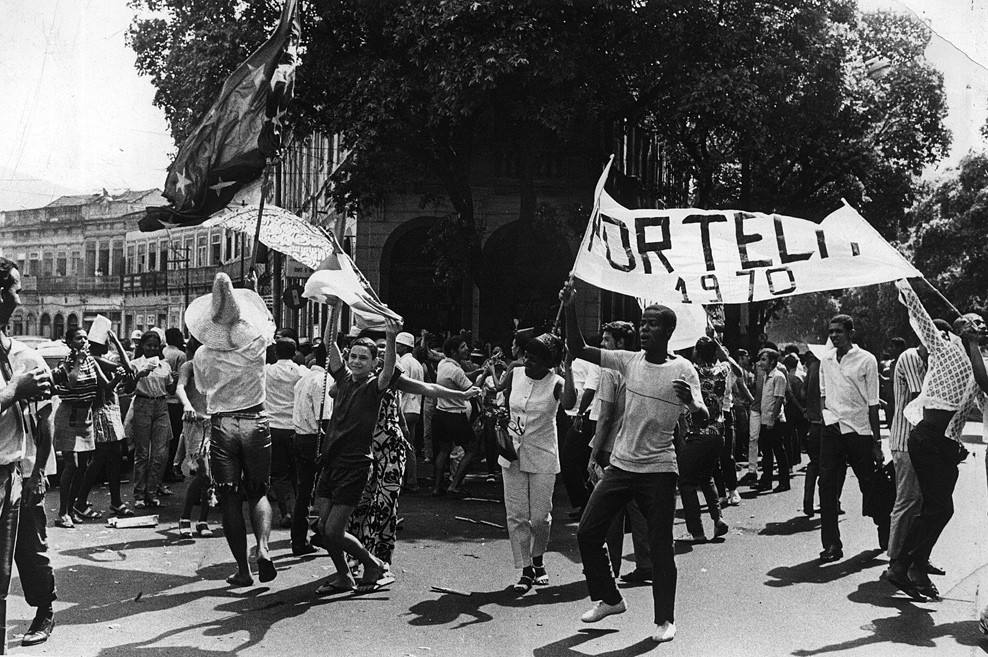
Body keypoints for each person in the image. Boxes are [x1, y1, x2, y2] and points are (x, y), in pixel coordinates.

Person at [562, 281, 706, 645]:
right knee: (587, 532)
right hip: (621, 466)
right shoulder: (628, 361)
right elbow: (578, 347)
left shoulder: (685, 370)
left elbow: (705, 416)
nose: (644, 329)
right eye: (642, 323)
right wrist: (570, 306)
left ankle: (665, 620)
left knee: (659, 547)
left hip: (659, 470)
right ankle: (610, 599)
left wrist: (692, 402)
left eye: (652, 324)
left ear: (668, 331)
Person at [348, 331, 480, 576]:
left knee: (384, 507)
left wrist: (460, 395)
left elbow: (428, 388)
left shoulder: (390, 379)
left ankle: (379, 563)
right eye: (357, 355)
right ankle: (357, 558)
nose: (362, 359)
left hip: (388, 448)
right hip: (361, 450)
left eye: (375, 353)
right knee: (359, 505)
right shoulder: (351, 380)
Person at [886, 281, 985, 599]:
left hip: (946, 447)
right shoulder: (944, 346)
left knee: (939, 509)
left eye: (984, 323)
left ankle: (912, 566)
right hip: (926, 439)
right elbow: (920, 316)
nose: (982, 325)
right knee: (940, 506)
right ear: (958, 329)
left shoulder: (976, 363)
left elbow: (984, 396)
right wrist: (904, 283)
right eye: (976, 322)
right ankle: (902, 566)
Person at [188, 272, 277, 587]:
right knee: (258, 492)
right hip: (257, 421)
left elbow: (203, 391)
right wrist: (250, 291)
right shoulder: (257, 345)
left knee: (229, 499)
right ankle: (263, 548)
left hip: (223, 424)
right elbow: (268, 322)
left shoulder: (202, 355)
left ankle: (243, 569)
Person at [312, 303, 398, 595]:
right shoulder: (343, 379)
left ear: (374, 362)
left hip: (355, 465)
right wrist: (335, 307)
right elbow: (328, 343)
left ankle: (373, 565)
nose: (357, 361)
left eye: (364, 358)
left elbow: (388, 371)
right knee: (321, 528)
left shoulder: (376, 386)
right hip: (330, 462)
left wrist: (390, 335)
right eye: (354, 356)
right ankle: (344, 576)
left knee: (334, 529)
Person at [0, 257, 55, 649]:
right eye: (16, 290)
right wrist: (13, 390)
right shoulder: (19, 373)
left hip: (14, 471)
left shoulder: (26, 357)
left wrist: (37, 472)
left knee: (28, 549)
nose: (20, 300)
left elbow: (44, 421)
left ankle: (44, 608)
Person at [499, 333, 569, 592]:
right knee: (516, 515)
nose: (527, 362)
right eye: (526, 356)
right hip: (512, 454)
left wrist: (569, 368)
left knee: (539, 517)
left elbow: (571, 403)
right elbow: (505, 403)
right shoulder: (515, 373)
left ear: (549, 363)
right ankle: (526, 569)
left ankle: (538, 558)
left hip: (543, 455)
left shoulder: (558, 383)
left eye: (534, 359)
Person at [817, 314, 888, 563]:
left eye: (838, 331)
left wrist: (876, 443)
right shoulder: (825, 360)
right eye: (831, 331)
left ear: (850, 332)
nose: (834, 335)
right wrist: (829, 421)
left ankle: (884, 526)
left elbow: (872, 404)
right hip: (833, 431)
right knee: (826, 486)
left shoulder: (866, 360)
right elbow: (824, 396)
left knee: (868, 484)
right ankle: (832, 545)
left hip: (859, 432)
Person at [590, 321, 652, 583]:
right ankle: (646, 564)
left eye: (606, 340)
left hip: (612, 448)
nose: (602, 345)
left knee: (610, 511)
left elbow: (604, 417)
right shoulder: (643, 366)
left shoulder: (610, 370)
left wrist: (593, 454)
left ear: (620, 343)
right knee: (637, 509)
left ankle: (610, 566)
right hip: (638, 446)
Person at [74, 330, 137, 519]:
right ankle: (80, 501)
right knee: (101, 458)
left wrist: (117, 342)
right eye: (107, 341)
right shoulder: (94, 359)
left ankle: (115, 502)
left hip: (111, 410)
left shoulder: (99, 358)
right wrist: (117, 342)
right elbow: (124, 370)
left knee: (114, 458)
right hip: (102, 411)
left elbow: (127, 368)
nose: (108, 343)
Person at [678, 337, 733, 542]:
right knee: (706, 476)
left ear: (697, 353)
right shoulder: (724, 370)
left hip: (697, 433)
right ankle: (718, 519)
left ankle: (697, 531)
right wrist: (716, 341)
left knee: (686, 482)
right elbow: (726, 359)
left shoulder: (693, 370)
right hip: (718, 433)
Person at [51, 327, 106, 527]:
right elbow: (72, 383)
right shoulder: (65, 362)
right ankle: (62, 512)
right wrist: (79, 361)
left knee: (82, 466)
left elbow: (104, 384)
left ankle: (72, 508)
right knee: (71, 465)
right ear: (69, 342)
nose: (83, 341)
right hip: (69, 415)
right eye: (78, 338)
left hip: (86, 416)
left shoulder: (91, 361)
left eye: (85, 338)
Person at [887, 343, 930, 575]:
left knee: (920, 502)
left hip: (918, 443)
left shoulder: (925, 360)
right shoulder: (911, 358)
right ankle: (895, 558)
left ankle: (914, 557)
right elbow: (919, 398)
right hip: (906, 441)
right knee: (907, 500)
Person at [291, 342, 332, 555]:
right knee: (328, 491)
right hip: (314, 440)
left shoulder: (304, 379)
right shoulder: (322, 381)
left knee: (304, 493)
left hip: (300, 436)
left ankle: (299, 540)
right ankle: (322, 534)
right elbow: (324, 420)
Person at [431, 336, 485, 496]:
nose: (467, 349)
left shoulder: (443, 364)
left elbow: (460, 378)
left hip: (441, 413)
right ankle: (454, 485)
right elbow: (473, 391)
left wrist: (476, 372)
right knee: (471, 450)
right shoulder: (456, 370)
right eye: (463, 347)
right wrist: (485, 373)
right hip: (455, 416)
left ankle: (436, 487)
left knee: (444, 450)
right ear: (454, 352)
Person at [130, 330, 175, 509]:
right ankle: (139, 494)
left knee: (160, 453)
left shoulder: (165, 366)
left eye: (155, 346)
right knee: (142, 453)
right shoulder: (135, 364)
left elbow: (170, 389)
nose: (152, 349)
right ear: (142, 346)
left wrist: (175, 381)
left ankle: (152, 492)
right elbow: (128, 387)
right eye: (149, 345)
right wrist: (139, 374)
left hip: (161, 405)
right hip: (143, 404)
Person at [175, 337, 214, 539]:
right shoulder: (188, 367)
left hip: (214, 422)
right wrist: (187, 405)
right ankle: (184, 518)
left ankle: (203, 520)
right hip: (195, 422)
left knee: (210, 477)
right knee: (203, 473)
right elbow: (180, 387)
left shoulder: (216, 366)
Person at [265, 337, 305, 528]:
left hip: (273, 426)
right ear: (295, 352)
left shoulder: (267, 372)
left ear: (276, 353)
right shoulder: (301, 372)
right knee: (297, 472)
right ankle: (299, 511)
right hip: (296, 426)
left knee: (279, 474)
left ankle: (287, 511)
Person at [756, 348, 790, 493]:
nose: (761, 363)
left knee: (778, 451)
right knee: (766, 452)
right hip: (765, 419)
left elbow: (779, 399)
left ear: (772, 361)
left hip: (774, 420)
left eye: (764, 359)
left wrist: (772, 419)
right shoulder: (765, 376)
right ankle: (766, 480)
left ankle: (784, 482)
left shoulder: (778, 376)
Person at [396, 332, 424, 491]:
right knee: (410, 446)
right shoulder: (417, 364)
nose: (396, 347)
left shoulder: (403, 362)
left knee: (399, 446)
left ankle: (401, 481)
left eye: (398, 344)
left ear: (404, 346)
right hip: (416, 409)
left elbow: (401, 387)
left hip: (404, 409)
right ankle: (411, 480)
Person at [162, 327, 188, 484]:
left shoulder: (163, 351)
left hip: (161, 398)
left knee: (164, 439)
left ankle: (163, 470)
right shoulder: (180, 355)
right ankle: (169, 468)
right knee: (174, 436)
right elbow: (182, 378)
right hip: (175, 399)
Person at [802, 349, 823, 517]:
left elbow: (803, 392)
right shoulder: (829, 368)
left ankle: (807, 500)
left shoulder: (812, 367)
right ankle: (831, 502)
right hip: (829, 423)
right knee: (834, 466)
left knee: (814, 463)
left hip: (813, 422)